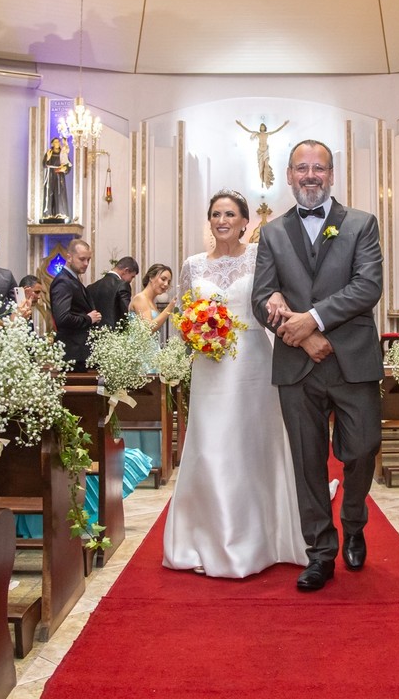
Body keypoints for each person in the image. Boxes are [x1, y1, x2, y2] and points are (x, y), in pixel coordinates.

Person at [252, 140, 385, 592]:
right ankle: (320, 552)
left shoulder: (362, 223)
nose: (311, 175)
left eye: (319, 168)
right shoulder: (272, 233)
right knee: (307, 462)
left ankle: (354, 519)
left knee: (363, 448)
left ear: (331, 174)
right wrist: (299, 332)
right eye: (302, 168)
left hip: (353, 360)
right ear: (289, 175)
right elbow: (261, 297)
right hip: (297, 364)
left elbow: (367, 287)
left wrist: (313, 320)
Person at [162, 189, 306, 578]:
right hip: (210, 365)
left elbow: (276, 300)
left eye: (229, 214)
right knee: (210, 446)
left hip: (253, 364)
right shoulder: (192, 265)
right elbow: (185, 315)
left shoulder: (261, 256)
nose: (222, 220)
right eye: (215, 214)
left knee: (253, 445)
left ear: (245, 221)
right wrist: (195, 333)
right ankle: (205, 536)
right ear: (209, 221)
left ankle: (264, 538)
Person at [50, 239, 101, 370]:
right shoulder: (63, 281)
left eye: (88, 260)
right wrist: (88, 319)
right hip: (71, 353)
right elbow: (62, 318)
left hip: (78, 352)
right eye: (82, 259)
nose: (86, 263)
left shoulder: (72, 279)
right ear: (69, 257)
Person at [87, 256, 138, 330]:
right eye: (132, 277)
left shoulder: (91, 287)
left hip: (94, 333)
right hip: (115, 333)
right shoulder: (122, 285)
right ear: (126, 271)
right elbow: (126, 313)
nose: (131, 280)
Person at [236, 119, 289, 189]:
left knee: (266, 165)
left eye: (263, 126)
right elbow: (248, 130)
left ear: (265, 128)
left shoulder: (267, 134)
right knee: (261, 167)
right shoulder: (257, 134)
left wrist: (284, 124)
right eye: (261, 127)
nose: (262, 128)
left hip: (266, 151)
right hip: (260, 152)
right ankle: (262, 181)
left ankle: (267, 181)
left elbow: (276, 130)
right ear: (260, 128)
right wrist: (240, 124)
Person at [129, 263, 175, 333]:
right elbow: (148, 328)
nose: (166, 284)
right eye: (163, 279)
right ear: (151, 277)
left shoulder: (152, 302)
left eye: (168, 282)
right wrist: (169, 308)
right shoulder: (141, 298)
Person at [42, 137, 71, 222]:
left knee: (60, 194)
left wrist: (64, 168)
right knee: (50, 193)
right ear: (52, 144)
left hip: (59, 175)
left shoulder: (63, 153)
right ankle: (48, 213)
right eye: (55, 142)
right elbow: (44, 164)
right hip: (50, 174)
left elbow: (67, 164)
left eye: (58, 142)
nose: (57, 143)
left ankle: (61, 213)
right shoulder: (49, 153)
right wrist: (47, 158)